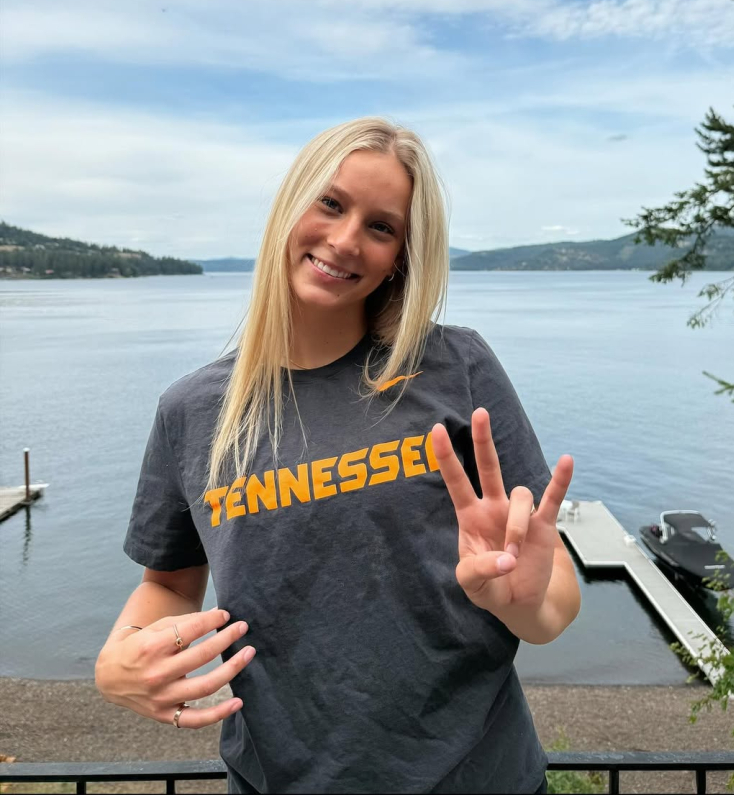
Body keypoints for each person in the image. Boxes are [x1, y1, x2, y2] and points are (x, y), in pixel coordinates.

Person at [95, 117, 581, 794]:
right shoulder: (192, 411)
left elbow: (550, 593)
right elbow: (171, 584)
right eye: (330, 203)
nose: (346, 239)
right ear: (289, 205)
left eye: (381, 227)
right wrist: (116, 662)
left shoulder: (454, 367)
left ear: (401, 256)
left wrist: (523, 604)